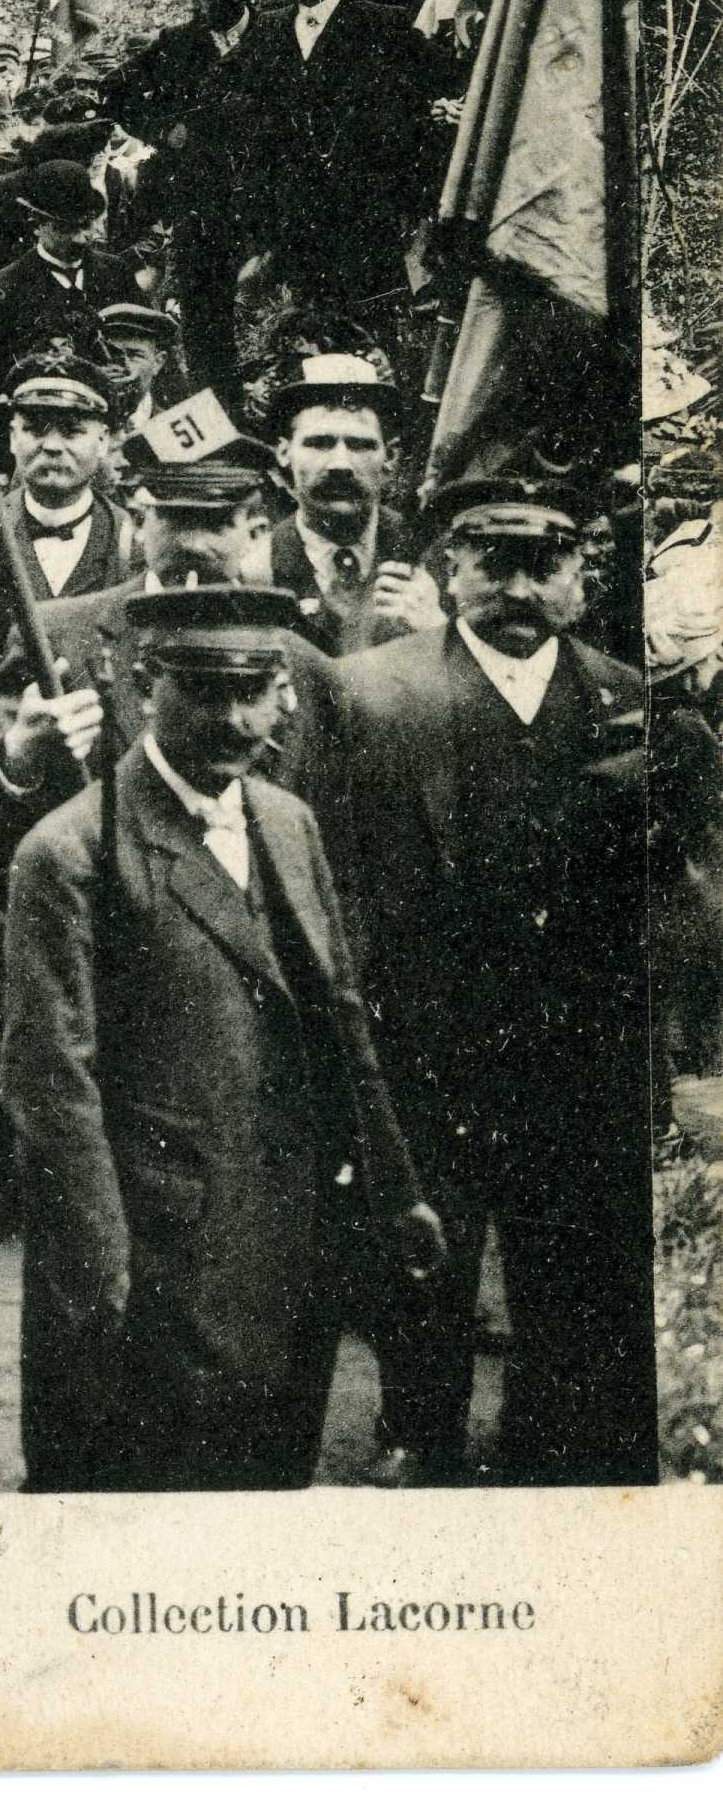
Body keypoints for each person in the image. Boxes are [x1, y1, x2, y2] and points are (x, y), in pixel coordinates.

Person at [1, 584, 443, 1491]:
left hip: (289, 1241)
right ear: (142, 687)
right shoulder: (70, 851)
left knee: (265, 1489)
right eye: (204, 690)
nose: (237, 720)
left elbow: (340, 1018)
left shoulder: (287, 822)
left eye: (256, 690)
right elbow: (52, 1088)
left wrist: (397, 1192)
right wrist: (96, 1271)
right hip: (155, 1256)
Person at [0, 402, 348, 1246]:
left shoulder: (303, 663)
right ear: (137, 518)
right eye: (173, 517)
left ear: (255, 525)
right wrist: (18, 751)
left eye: (216, 521)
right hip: (85, 929)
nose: (193, 542)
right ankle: (12, 1177)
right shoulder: (60, 633)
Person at [334, 476, 663, 1487]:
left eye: (544, 563)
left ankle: (547, 1434)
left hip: (574, 1037)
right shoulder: (371, 690)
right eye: (494, 562)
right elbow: (335, 870)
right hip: (427, 1026)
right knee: (426, 1241)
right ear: (450, 568)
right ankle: (416, 1427)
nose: (519, 588)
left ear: (582, 577)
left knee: (566, 1243)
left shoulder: (629, 699)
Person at [229, 0, 451, 327]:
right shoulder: (266, 30)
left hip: (365, 204)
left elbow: (426, 96)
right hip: (295, 208)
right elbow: (237, 102)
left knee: (372, 317)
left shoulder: (383, 24)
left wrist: (404, 182)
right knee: (308, 323)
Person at [103, 0, 269, 408]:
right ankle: (219, 411)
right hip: (201, 202)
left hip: (267, 198)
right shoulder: (177, 44)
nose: (196, 3)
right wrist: (162, 130)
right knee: (204, 316)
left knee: (273, 311)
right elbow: (113, 89)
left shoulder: (276, 34)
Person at [0, 350, 139, 674]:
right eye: (35, 429)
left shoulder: (132, 542)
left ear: (102, 442)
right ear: (13, 438)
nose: (52, 445)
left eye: (71, 432)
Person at [261, 354, 444, 656]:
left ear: (391, 457)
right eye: (319, 443)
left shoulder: (434, 560)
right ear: (284, 453)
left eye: (360, 445)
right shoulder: (256, 567)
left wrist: (438, 633)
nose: (340, 464)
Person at [0, 161, 138, 376]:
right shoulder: (5, 287)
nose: (81, 238)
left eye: (86, 225)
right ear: (36, 225)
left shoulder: (118, 273)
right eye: (66, 228)